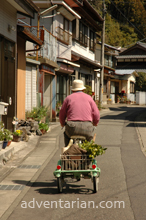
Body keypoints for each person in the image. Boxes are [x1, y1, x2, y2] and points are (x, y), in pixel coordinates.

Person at [59, 79, 100, 146]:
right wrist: (95, 123)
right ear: (83, 89)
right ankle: (88, 154)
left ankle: (67, 151)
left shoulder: (68, 98)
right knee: (89, 141)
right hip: (87, 127)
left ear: (72, 90)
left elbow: (62, 114)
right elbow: (96, 114)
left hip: (72, 128)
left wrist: (62, 124)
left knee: (67, 136)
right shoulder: (89, 98)